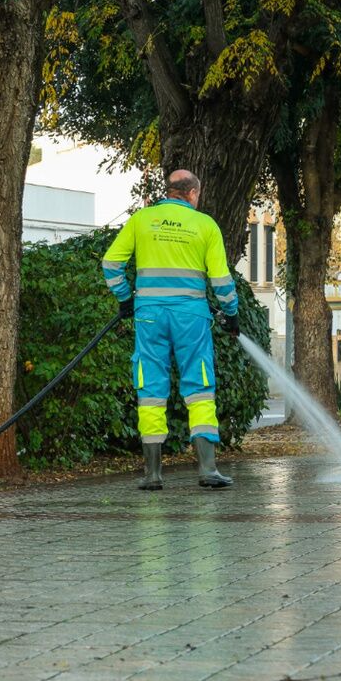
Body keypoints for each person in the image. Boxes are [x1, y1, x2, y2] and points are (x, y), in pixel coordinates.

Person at [101, 170, 239, 490]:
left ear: (171, 191)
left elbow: (110, 264)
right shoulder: (205, 225)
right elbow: (220, 280)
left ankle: (152, 474)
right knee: (200, 385)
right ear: (192, 194)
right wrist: (231, 313)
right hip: (191, 317)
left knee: (150, 389)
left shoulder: (142, 220)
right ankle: (207, 470)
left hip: (149, 315)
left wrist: (125, 300)